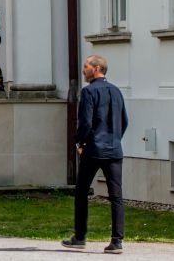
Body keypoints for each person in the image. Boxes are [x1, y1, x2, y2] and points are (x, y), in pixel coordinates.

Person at [63, 54, 128, 255]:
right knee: (116, 196)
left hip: (94, 149)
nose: (84, 70)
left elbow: (85, 122)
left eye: (86, 66)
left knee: (81, 192)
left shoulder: (89, 92)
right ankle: (117, 241)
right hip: (114, 149)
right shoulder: (116, 92)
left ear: (97, 68)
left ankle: (80, 236)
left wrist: (80, 142)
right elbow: (124, 121)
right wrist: (115, 138)